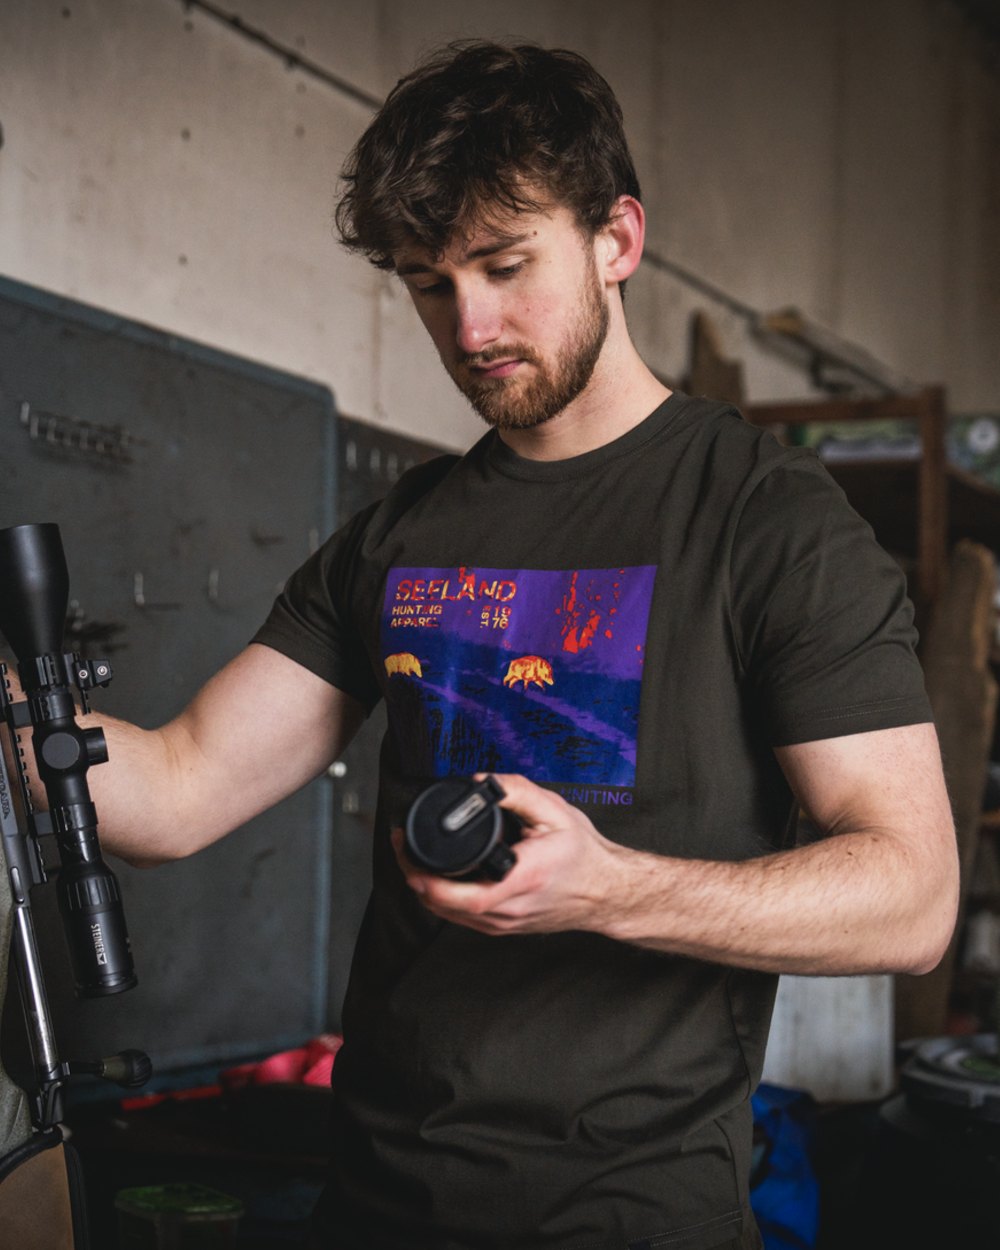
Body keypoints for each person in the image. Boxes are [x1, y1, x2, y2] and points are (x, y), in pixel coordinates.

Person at [31, 40, 958, 1250]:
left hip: (630, 1213)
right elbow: (172, 788)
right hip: (375, 1200)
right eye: (428, 284)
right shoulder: (397, 535)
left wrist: (611, 887)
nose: (469, 327)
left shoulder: (767, 523)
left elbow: (913, 896)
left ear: (616, 239)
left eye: (504, 266)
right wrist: (11, 704)